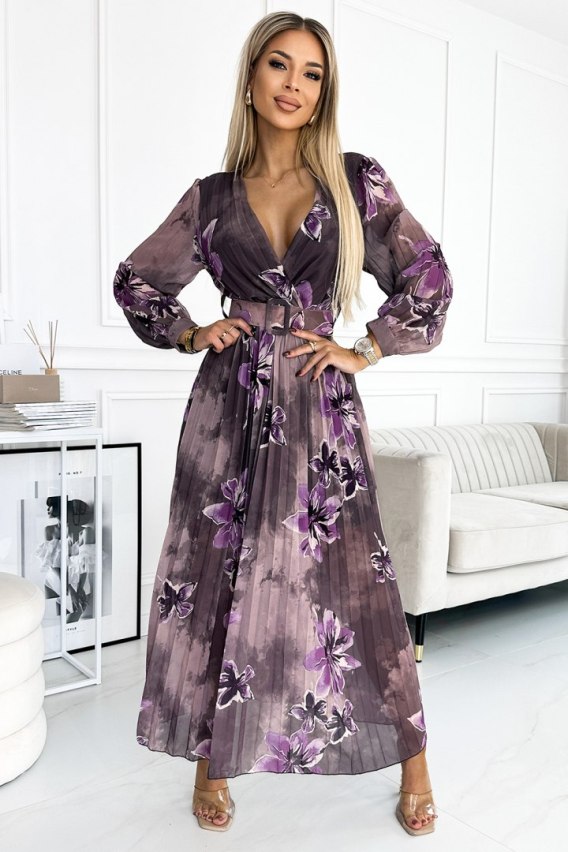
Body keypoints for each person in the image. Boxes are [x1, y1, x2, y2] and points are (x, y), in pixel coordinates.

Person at [113, 11, 453, 837]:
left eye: (312, 72)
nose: (294, 84)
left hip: (316, 408)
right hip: (226, 410)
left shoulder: (355, 182)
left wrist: (366, 348)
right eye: (279, 65)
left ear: (324, 90)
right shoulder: (211, 198)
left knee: (358, 586)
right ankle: (213, 758)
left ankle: (413, 759)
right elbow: (137, 281)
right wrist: (191, 332)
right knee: (220, 578)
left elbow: (428, 276)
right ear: (251, 78)